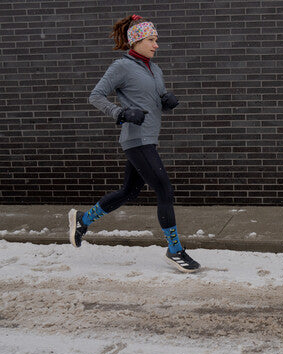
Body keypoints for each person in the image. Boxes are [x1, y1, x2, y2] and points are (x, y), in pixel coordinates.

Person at [68, 14, 200, 273]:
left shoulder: (155, 69)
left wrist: (166, 101)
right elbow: (95, 96)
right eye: (151, 39)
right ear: (136, 41)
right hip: (135, 139)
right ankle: (175, 250)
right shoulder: (121, 67)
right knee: (163, 187)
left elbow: (154, 98)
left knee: (129, 191)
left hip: (149, 138)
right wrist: (121, 113)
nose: (156, 44)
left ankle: (83, 220)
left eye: (156, 39)